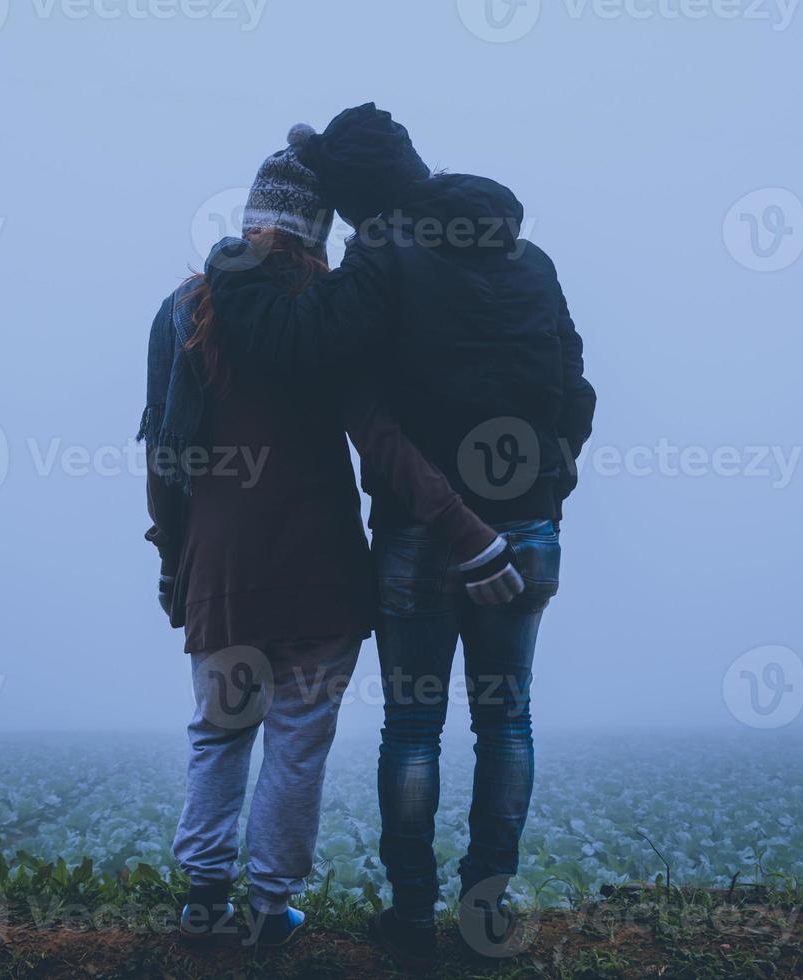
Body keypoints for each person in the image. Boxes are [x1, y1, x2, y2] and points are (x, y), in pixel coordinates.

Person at [203, 104, 597, 963]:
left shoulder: (382, 252)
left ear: (354, 204)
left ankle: (413, 917)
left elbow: (296, 340)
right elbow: (575, 386)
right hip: (529, 527)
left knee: (414, 728)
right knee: (509, 722)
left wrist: (233, 264)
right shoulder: (529, 259)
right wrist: (548, 485)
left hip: (422, 532)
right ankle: (486, 914)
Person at [140, 125, 523, 950]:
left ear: (251, 219)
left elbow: (164, 455)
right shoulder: (333, 319)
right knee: (298, 747)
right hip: (322, 577)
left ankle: (207, 906)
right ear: (321, 227)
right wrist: (469, 532)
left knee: (219, 734)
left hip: (224, 572)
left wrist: (174, 560)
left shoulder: (181, 313)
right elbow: (382, 438)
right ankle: (271, 911)